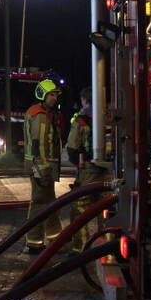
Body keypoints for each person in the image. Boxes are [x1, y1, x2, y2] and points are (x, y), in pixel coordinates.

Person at [23, 79, 63, 254]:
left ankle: (55, 237)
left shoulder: (42, 113)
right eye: (52, 95)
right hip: (41, 167)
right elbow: (39, 145)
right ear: (43, 95)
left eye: (56, 95)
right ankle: (34, 242)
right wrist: (44, 168)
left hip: (42, 166)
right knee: (40, 203)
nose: (55, 98)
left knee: (49, 201)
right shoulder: (40, 115)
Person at [65, 86, 107, 253]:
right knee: (105, 207)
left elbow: (73, 148)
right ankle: (106, 245)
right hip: (110, 170)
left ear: (85, 100)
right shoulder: (108, 117)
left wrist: (78, 163)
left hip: (88, 169)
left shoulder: (81, 120)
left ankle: (79, 248)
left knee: (79, 208)